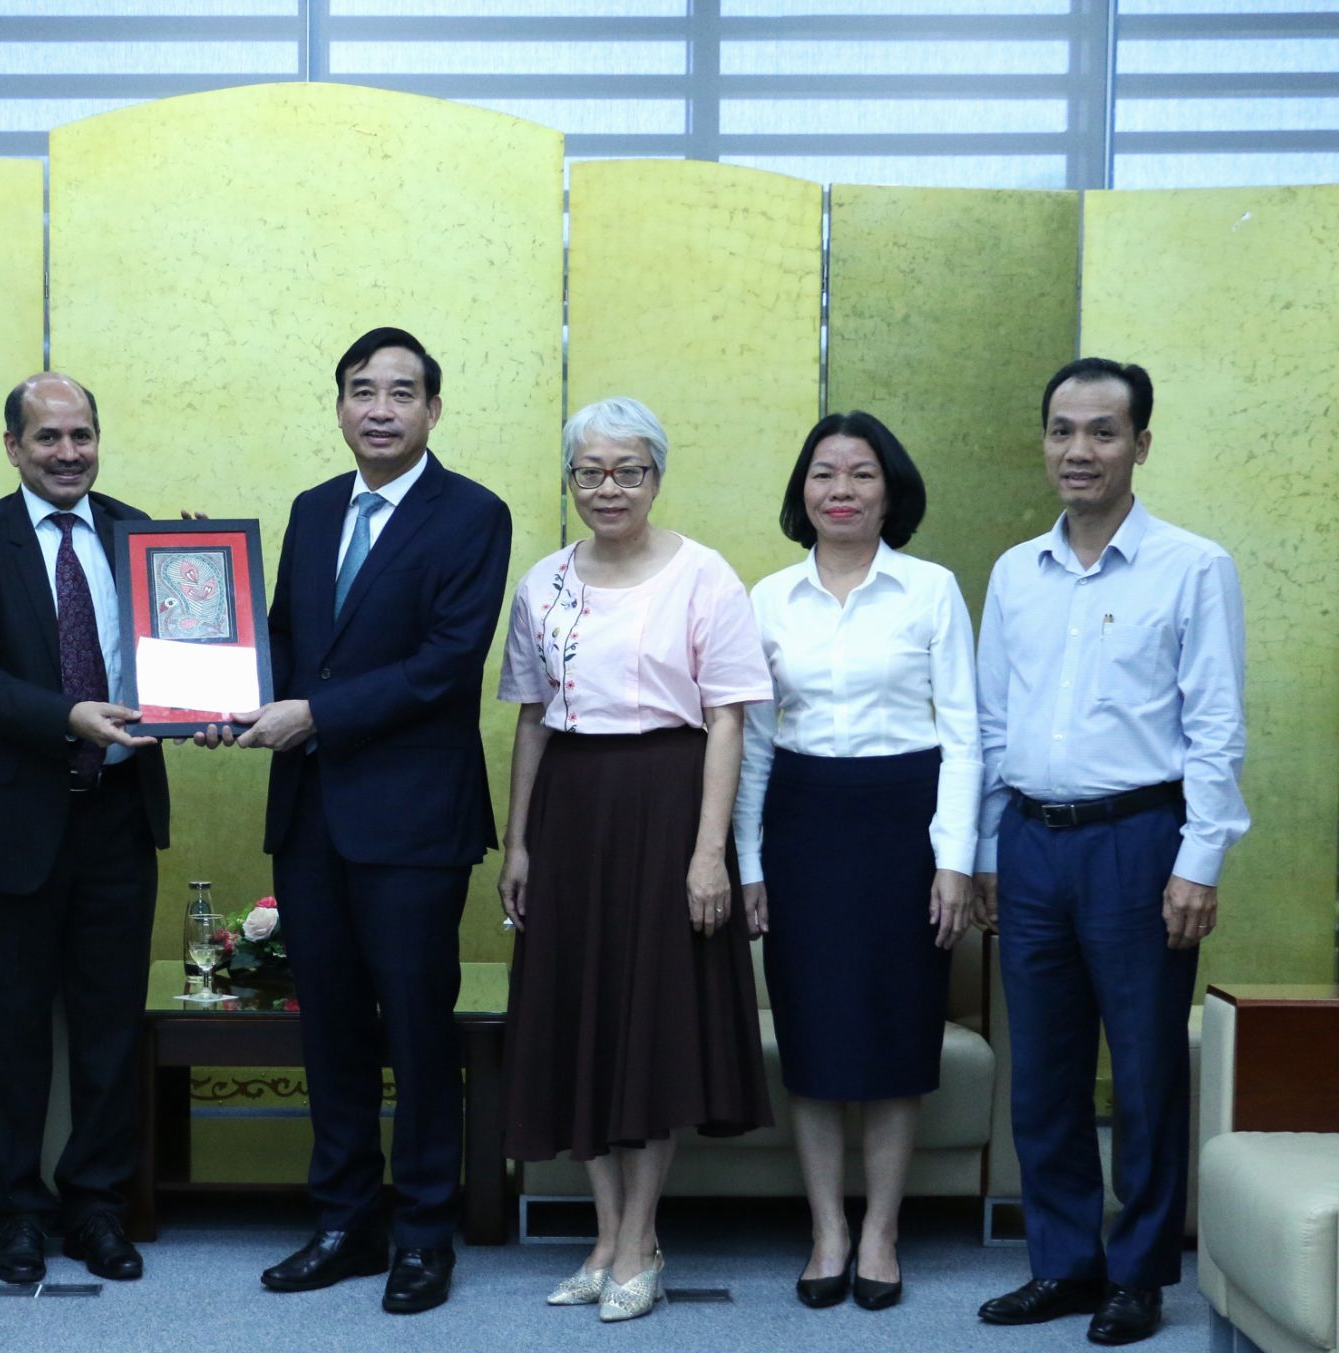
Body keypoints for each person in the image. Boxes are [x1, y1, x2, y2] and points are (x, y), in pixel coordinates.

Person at [220, 327, 510, 1316]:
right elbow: (286, 647)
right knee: (331, 1030)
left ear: (433, 409)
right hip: (309, 814)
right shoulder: (309, 513)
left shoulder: (472, 515)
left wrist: (315, 715)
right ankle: (346, 1221)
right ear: (337, 407)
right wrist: (203, 643)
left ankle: (423, 1232)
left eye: (399, 392)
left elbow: (446, 663)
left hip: (413, 818)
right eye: (359, 391)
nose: (377, 408)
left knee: (418, 1031)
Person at [973, 358, 1248, 1347]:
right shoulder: (1013, 572)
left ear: (1139, 442)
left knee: (1140, 1076)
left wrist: (1200, 857)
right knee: (1039, 1073)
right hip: (1030, 843)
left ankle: (1137, 1273)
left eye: (1099, 431)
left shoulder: (1191, 566)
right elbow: (991, 717)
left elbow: (1213, 723)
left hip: (1140, 842)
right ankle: (1061, 1264)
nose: (1075, 450)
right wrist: (981, 853)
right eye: (1059, 430)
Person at [497, 396, 775, 1323]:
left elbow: (728, 718)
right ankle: (605, 1235)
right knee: (580, 1021)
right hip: (571, 809)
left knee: (649, 1029)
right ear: (571, 479)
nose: (607, 487)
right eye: (589, 471)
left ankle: (642, 1239)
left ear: (657, 475)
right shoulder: (541, 583)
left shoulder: (705, 577)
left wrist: (711, 854)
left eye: (628, 470)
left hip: (666, 802)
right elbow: (532, 716)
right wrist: (520, 839)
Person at [0, 372, 170, 1285]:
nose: (68, 453)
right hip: (12, 817)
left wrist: (198, 596)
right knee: (14, 1026)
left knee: (108, 1027)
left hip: (117, 812)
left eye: (83, 435)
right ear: (13, 446)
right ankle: (19, 1211)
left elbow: (185, 657)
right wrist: (69, 714)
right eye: (48, 438)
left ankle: (97, 1208)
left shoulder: (142, 535)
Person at [732, 411, 978, 1312]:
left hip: (904, 821)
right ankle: (826, 1227)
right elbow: (753, 744)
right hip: (801, 820)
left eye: (862, 474)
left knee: (895, 1026)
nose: (841, 488)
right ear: (803, 490)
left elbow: (965, 735)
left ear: (891, 489)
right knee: (813, 1027)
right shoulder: (764, 599)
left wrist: (955, 859)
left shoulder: (931, 589)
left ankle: (881, 1228)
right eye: (825, 473)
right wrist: (748, 861)